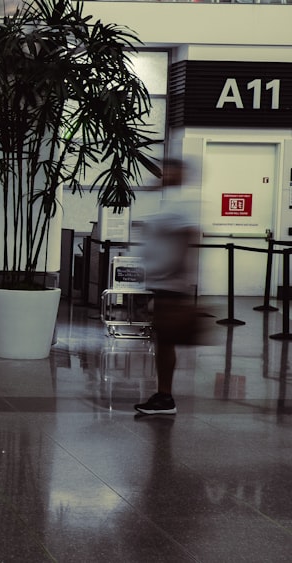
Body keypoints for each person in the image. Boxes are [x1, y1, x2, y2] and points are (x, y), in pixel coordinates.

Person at [135, 158, 201, 416]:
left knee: (166, 339)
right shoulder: (169, 200)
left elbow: (189, 235)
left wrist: (181, 275)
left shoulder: (181, 201)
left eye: (168, 171)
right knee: (164, 341)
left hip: (170, 282)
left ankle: (165, 397)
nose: (161, 174)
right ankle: (163, 395)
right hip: (162, 280)